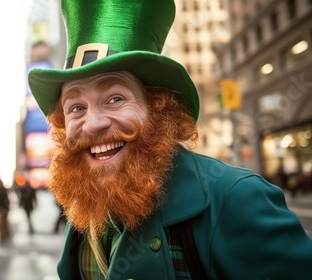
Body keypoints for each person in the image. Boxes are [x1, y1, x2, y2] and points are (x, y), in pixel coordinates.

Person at [27, 0, 312, 279]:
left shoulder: (237, 199)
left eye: (115, 99)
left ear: (158, 108)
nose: (92, 124)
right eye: (76, 108)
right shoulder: (84, 208)